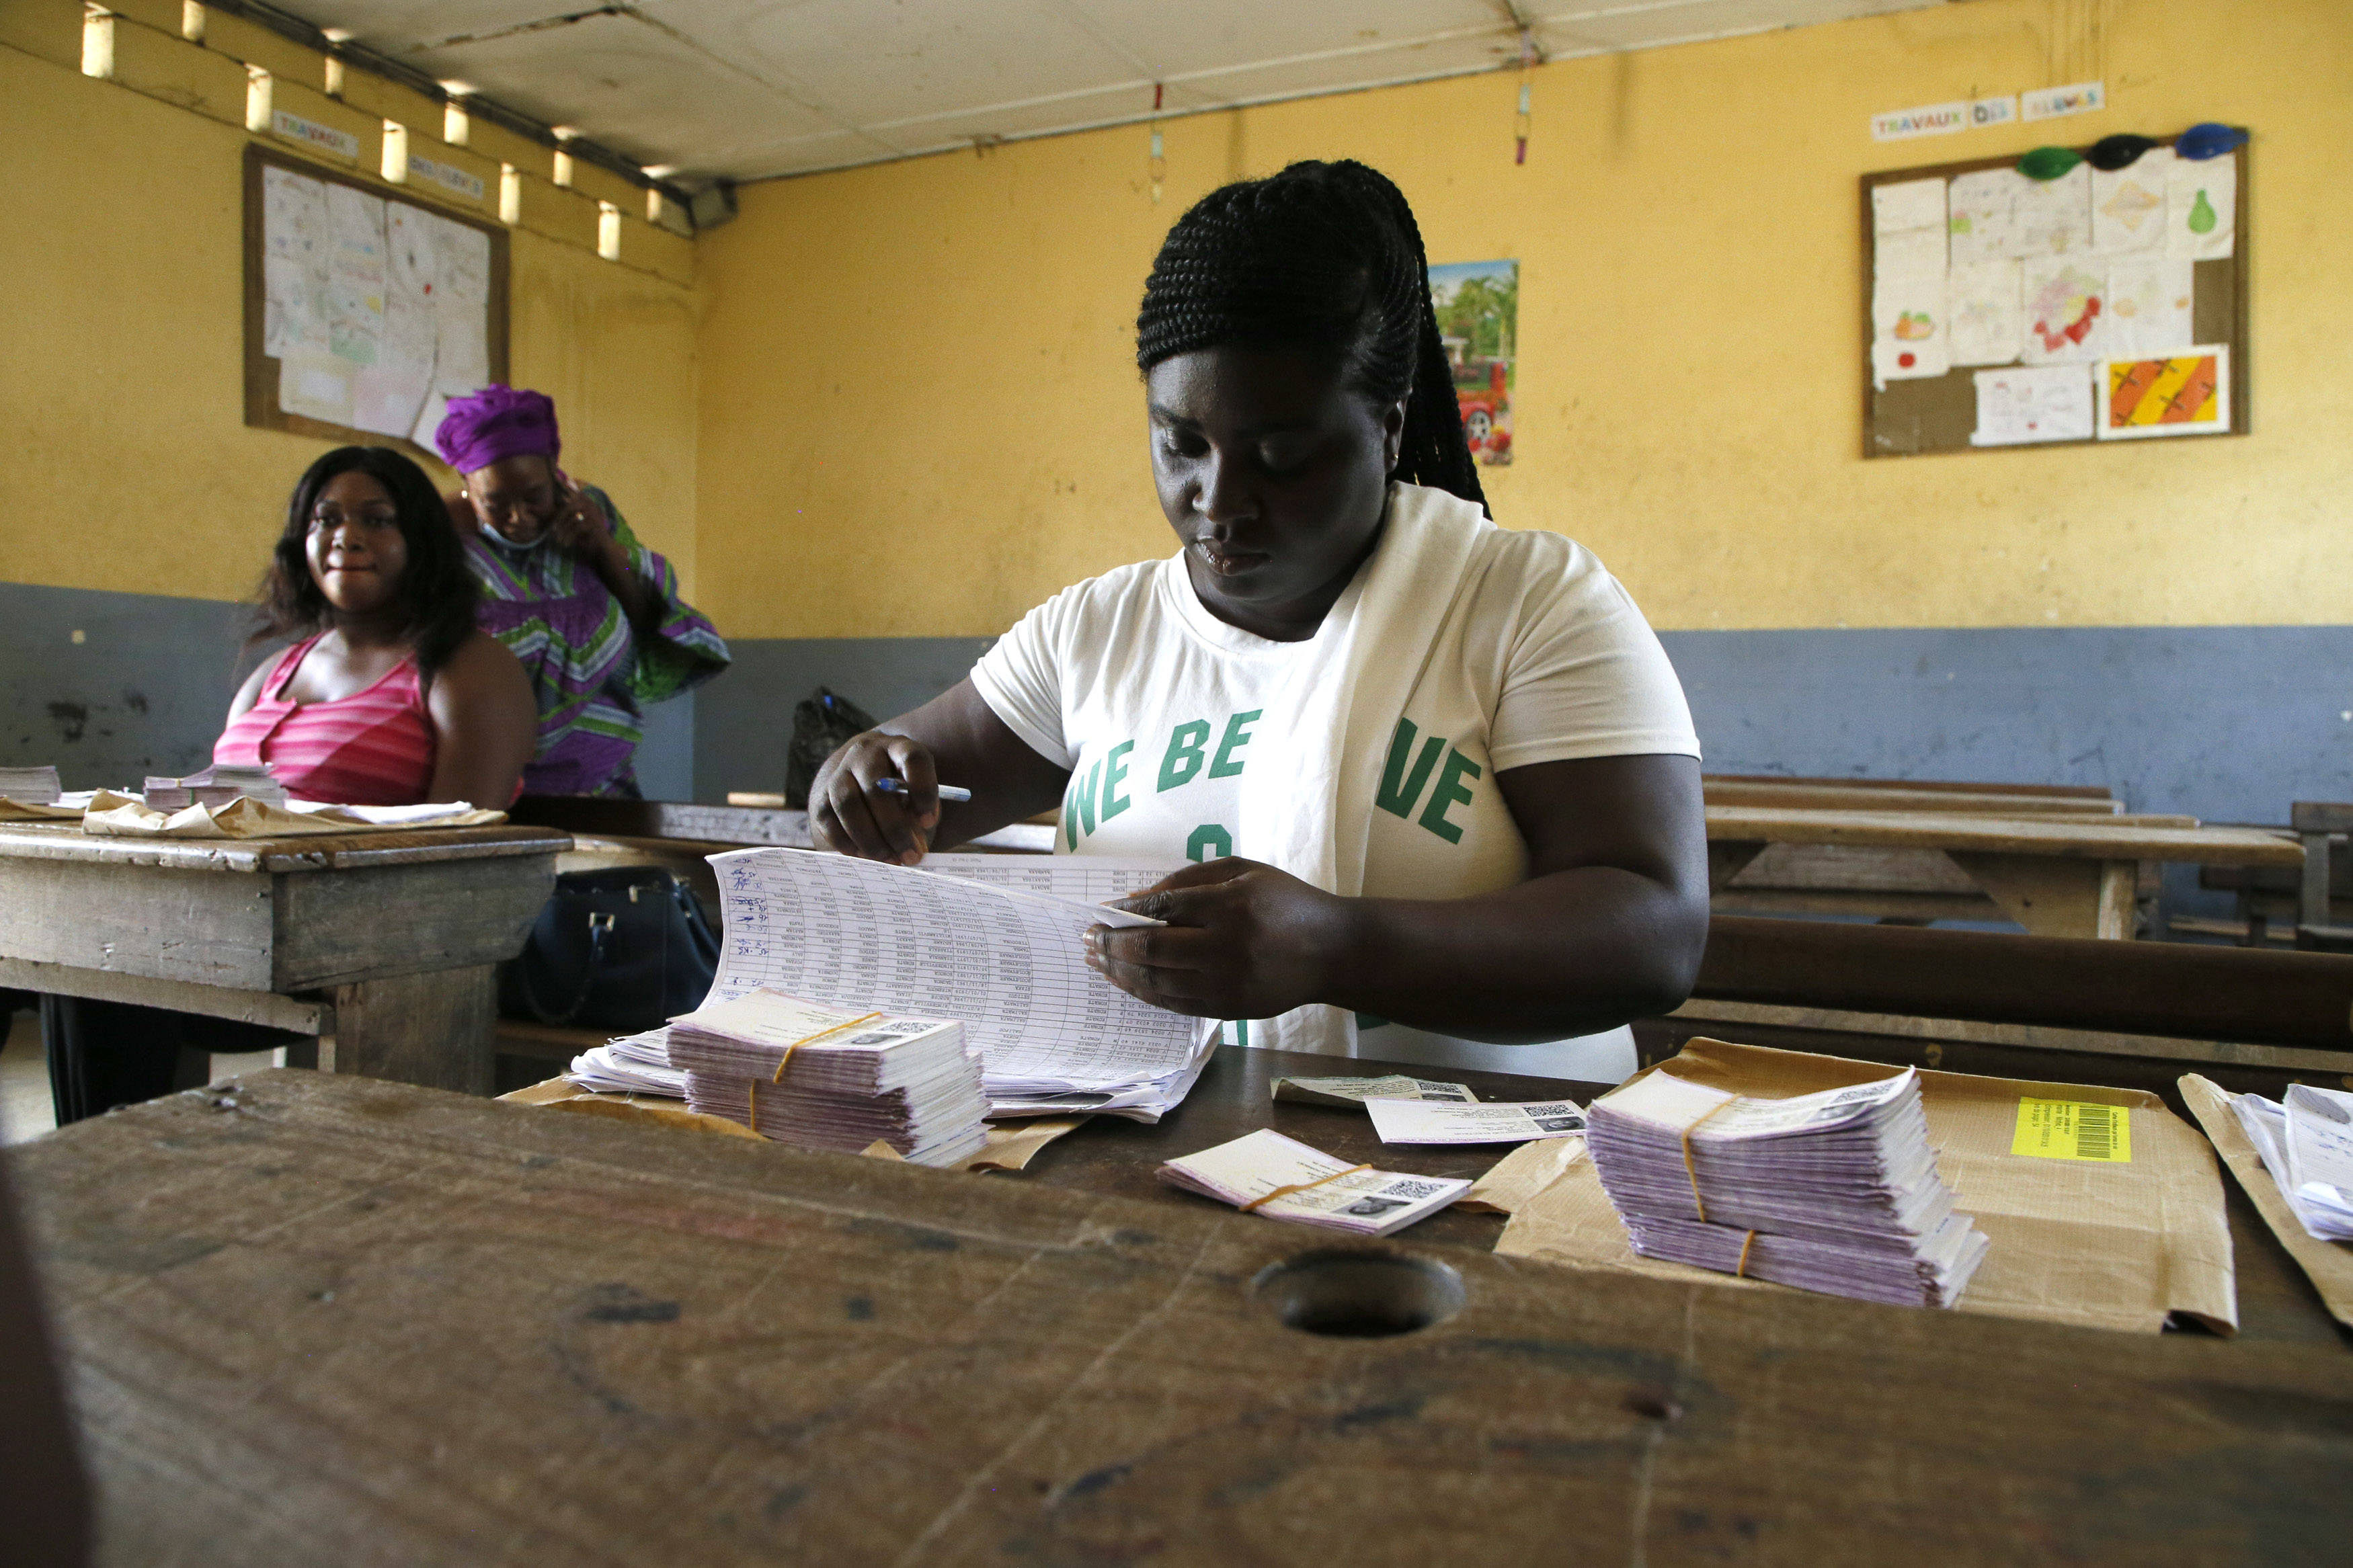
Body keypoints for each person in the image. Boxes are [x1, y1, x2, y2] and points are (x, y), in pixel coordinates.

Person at [809, 160, 1708, 1082]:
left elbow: (1655, 932)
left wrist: (1337, 947)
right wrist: (857, 786)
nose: (1220, 501)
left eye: (1281, 455)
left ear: (1389, 429)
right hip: (1162, 1153)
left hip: (1487, 1167)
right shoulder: (1093, 633)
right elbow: (901, 785)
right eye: (1181, 444)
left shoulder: (1529, 604)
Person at [44, 448, 536, 1124]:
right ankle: (99, 1186)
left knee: (103, 961)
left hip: (369, 948)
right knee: (77, 953)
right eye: (324, 519)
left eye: (377, 518)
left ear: (420, 537)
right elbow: (221, 801)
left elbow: (461, 848)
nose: (346, 535)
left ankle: (116, 1188)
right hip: (221, 928)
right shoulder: (276, 670)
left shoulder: (466, 666)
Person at [435, 386, 729, 798]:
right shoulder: (439, 538)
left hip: (604, 785)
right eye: (495, 502)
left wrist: (604, 549)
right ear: (467, 484)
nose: (518, 516)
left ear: (554, 471)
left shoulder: (592, 512)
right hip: (496, 787)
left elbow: (648, 613)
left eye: (535, 496)